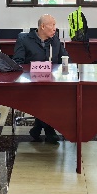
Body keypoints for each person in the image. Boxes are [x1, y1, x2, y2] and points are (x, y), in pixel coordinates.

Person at [13, 14, 68, 144]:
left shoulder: (55, 40)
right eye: (52, 25)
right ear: (42, 26)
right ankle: (49, 130)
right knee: (45, 97)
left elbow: (65, 59)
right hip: (31, 83)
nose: (55, 28)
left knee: (53, 96)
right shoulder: (24, 40)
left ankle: (37, 128)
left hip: (51, 83)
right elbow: (17, 62)